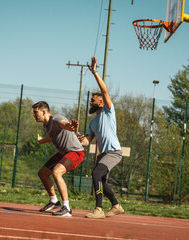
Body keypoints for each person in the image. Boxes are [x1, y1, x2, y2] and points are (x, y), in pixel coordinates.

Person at [78, 56, 125, 219]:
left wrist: (94, 72)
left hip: (113, 152)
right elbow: (86, 142)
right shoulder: (93, 122)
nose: (90, 103)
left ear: (100, 102)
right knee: (102, 183)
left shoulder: (108, 111)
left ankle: (98, 209)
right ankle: (116, 206)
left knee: (96, 174)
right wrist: (78, 137)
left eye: (93, 101)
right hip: (102, 155)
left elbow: (104, 91)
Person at [32, 101, 85, 217]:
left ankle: (66, 208)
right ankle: (54, 201)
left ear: (44, 112)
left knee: (56, 172)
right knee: (42, 173)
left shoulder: (56, 119)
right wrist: (41, 141)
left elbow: (65, 124)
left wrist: (71, 127)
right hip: (64, 153)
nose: (34, 115)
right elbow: (51, 137)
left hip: (76, 152)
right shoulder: (45, 125)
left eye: (36, 112)